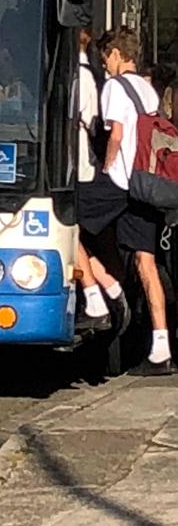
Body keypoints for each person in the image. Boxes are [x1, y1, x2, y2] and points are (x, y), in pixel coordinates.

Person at [81, 26, 176, 375]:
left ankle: (99, 292)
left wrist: (104, 168)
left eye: (106, 57)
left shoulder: (113, 87)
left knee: (66, 218)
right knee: (146, 263)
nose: (105, 64)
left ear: (118, 55)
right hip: (146, 186)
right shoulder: (149, 91)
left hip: (120, 181)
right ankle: (161, 348)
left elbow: (117, 136)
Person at [75, 28, 129, 335]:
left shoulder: (79, 77)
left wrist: (107, 168)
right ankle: (107, 289)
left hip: (81, 168)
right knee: (72, 237)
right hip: (86, 166)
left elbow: (110, 132)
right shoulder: (92, 77)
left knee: (67, 231)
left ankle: (97, 296)